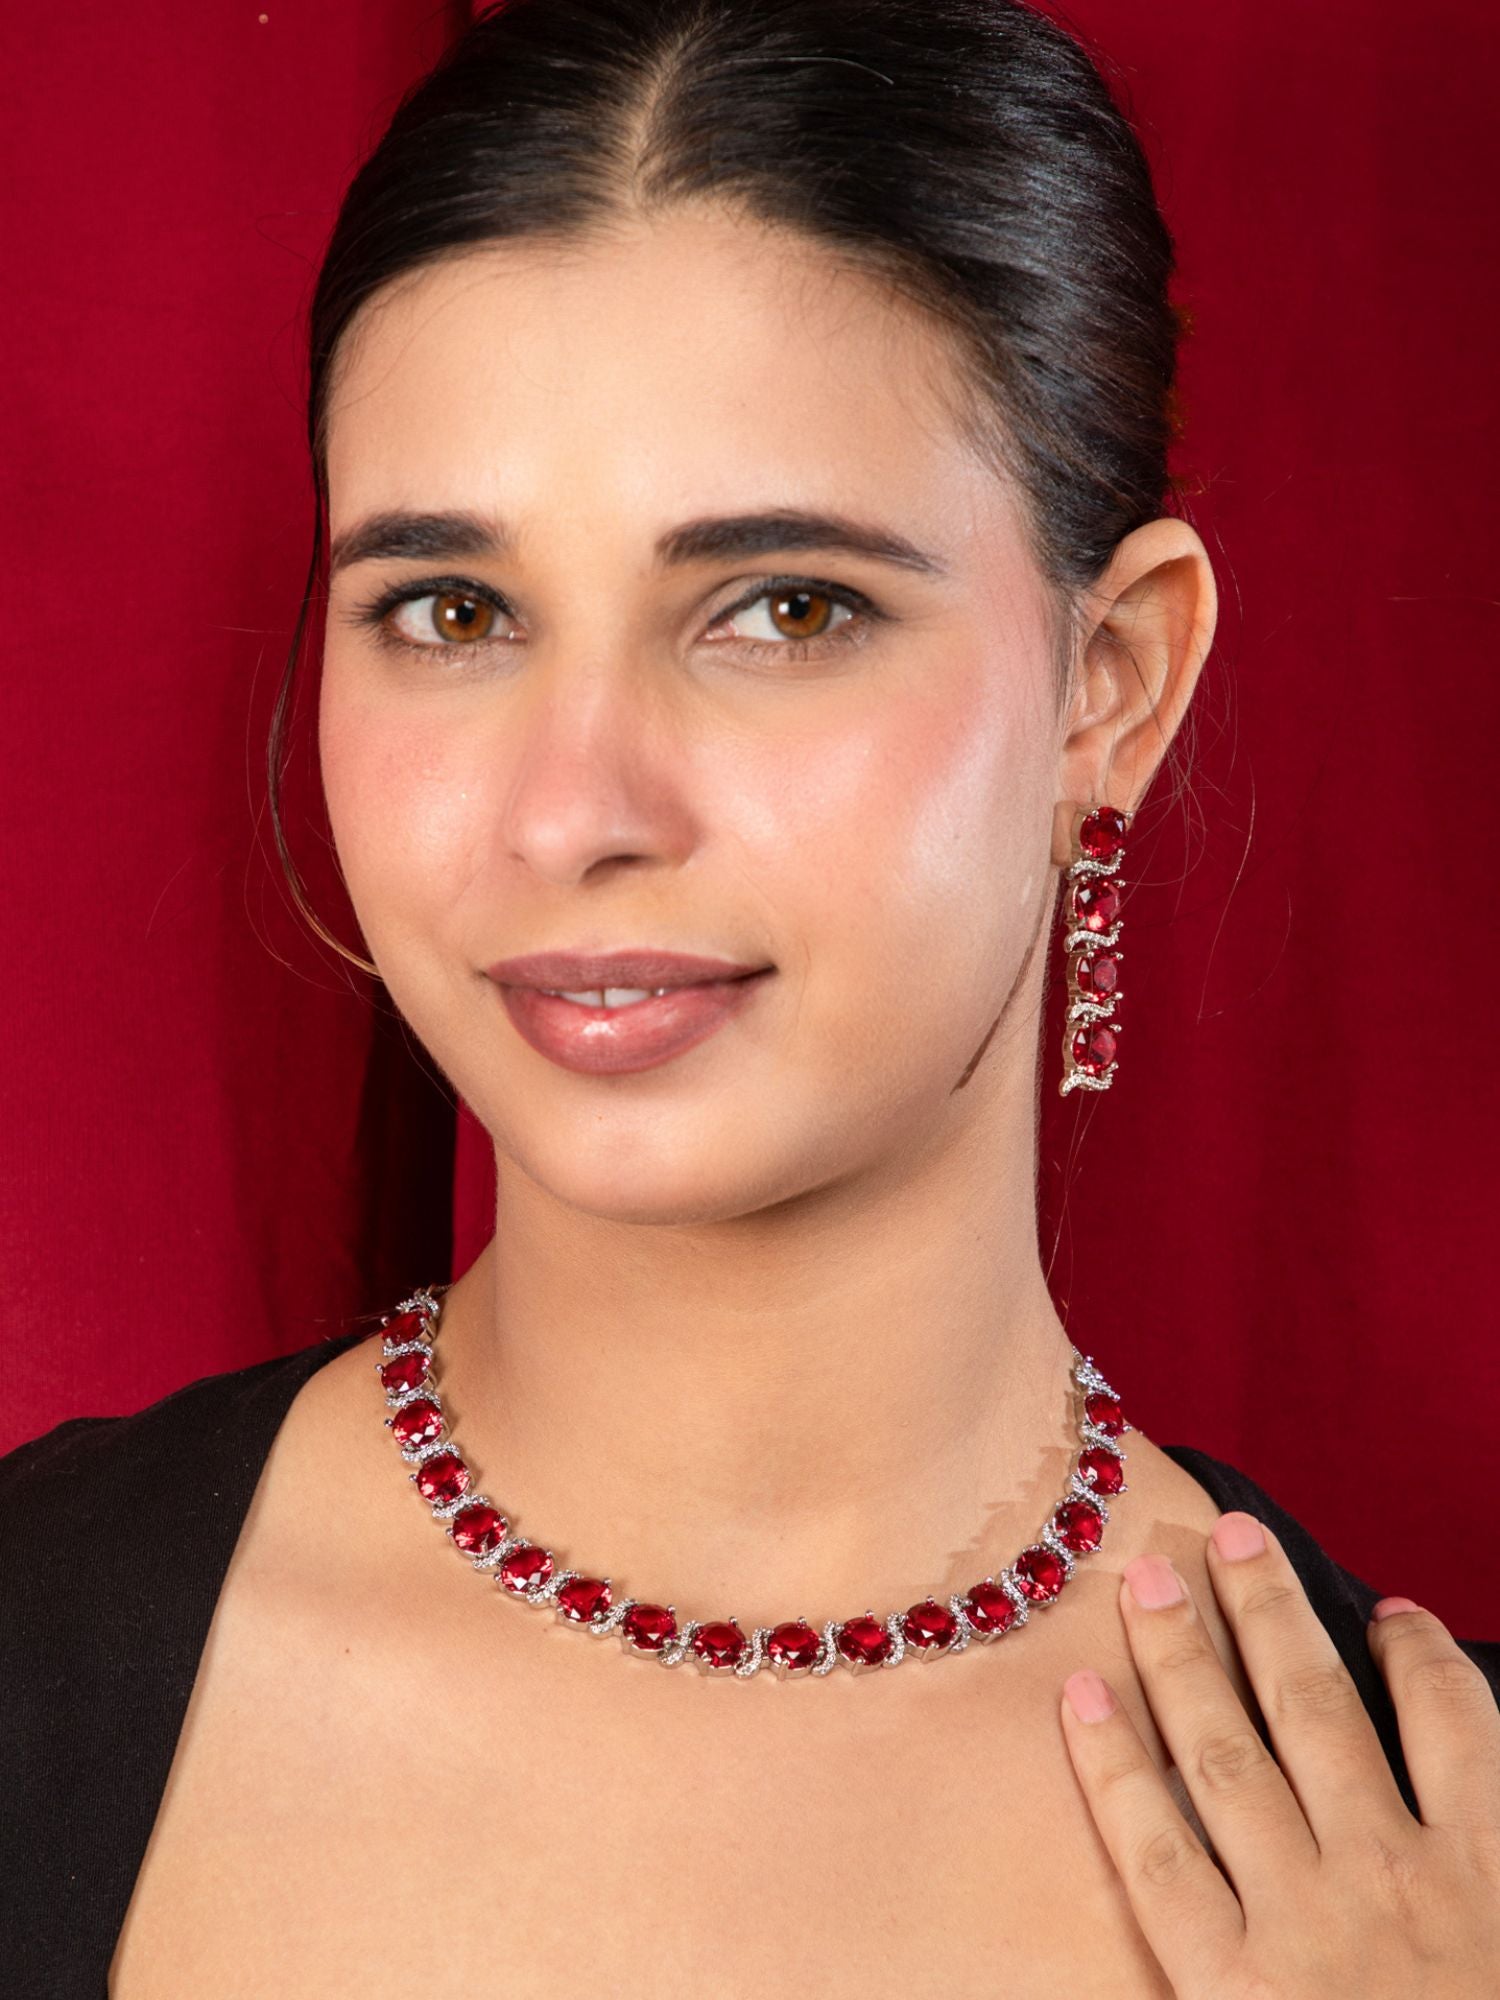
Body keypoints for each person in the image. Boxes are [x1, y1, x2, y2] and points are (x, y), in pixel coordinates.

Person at [4, 1, 1497, 1993]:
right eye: (452, 610)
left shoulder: (1443, 1861)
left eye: (785, 608)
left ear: (1112, 685)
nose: (572, 811)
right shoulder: (32, 1644)